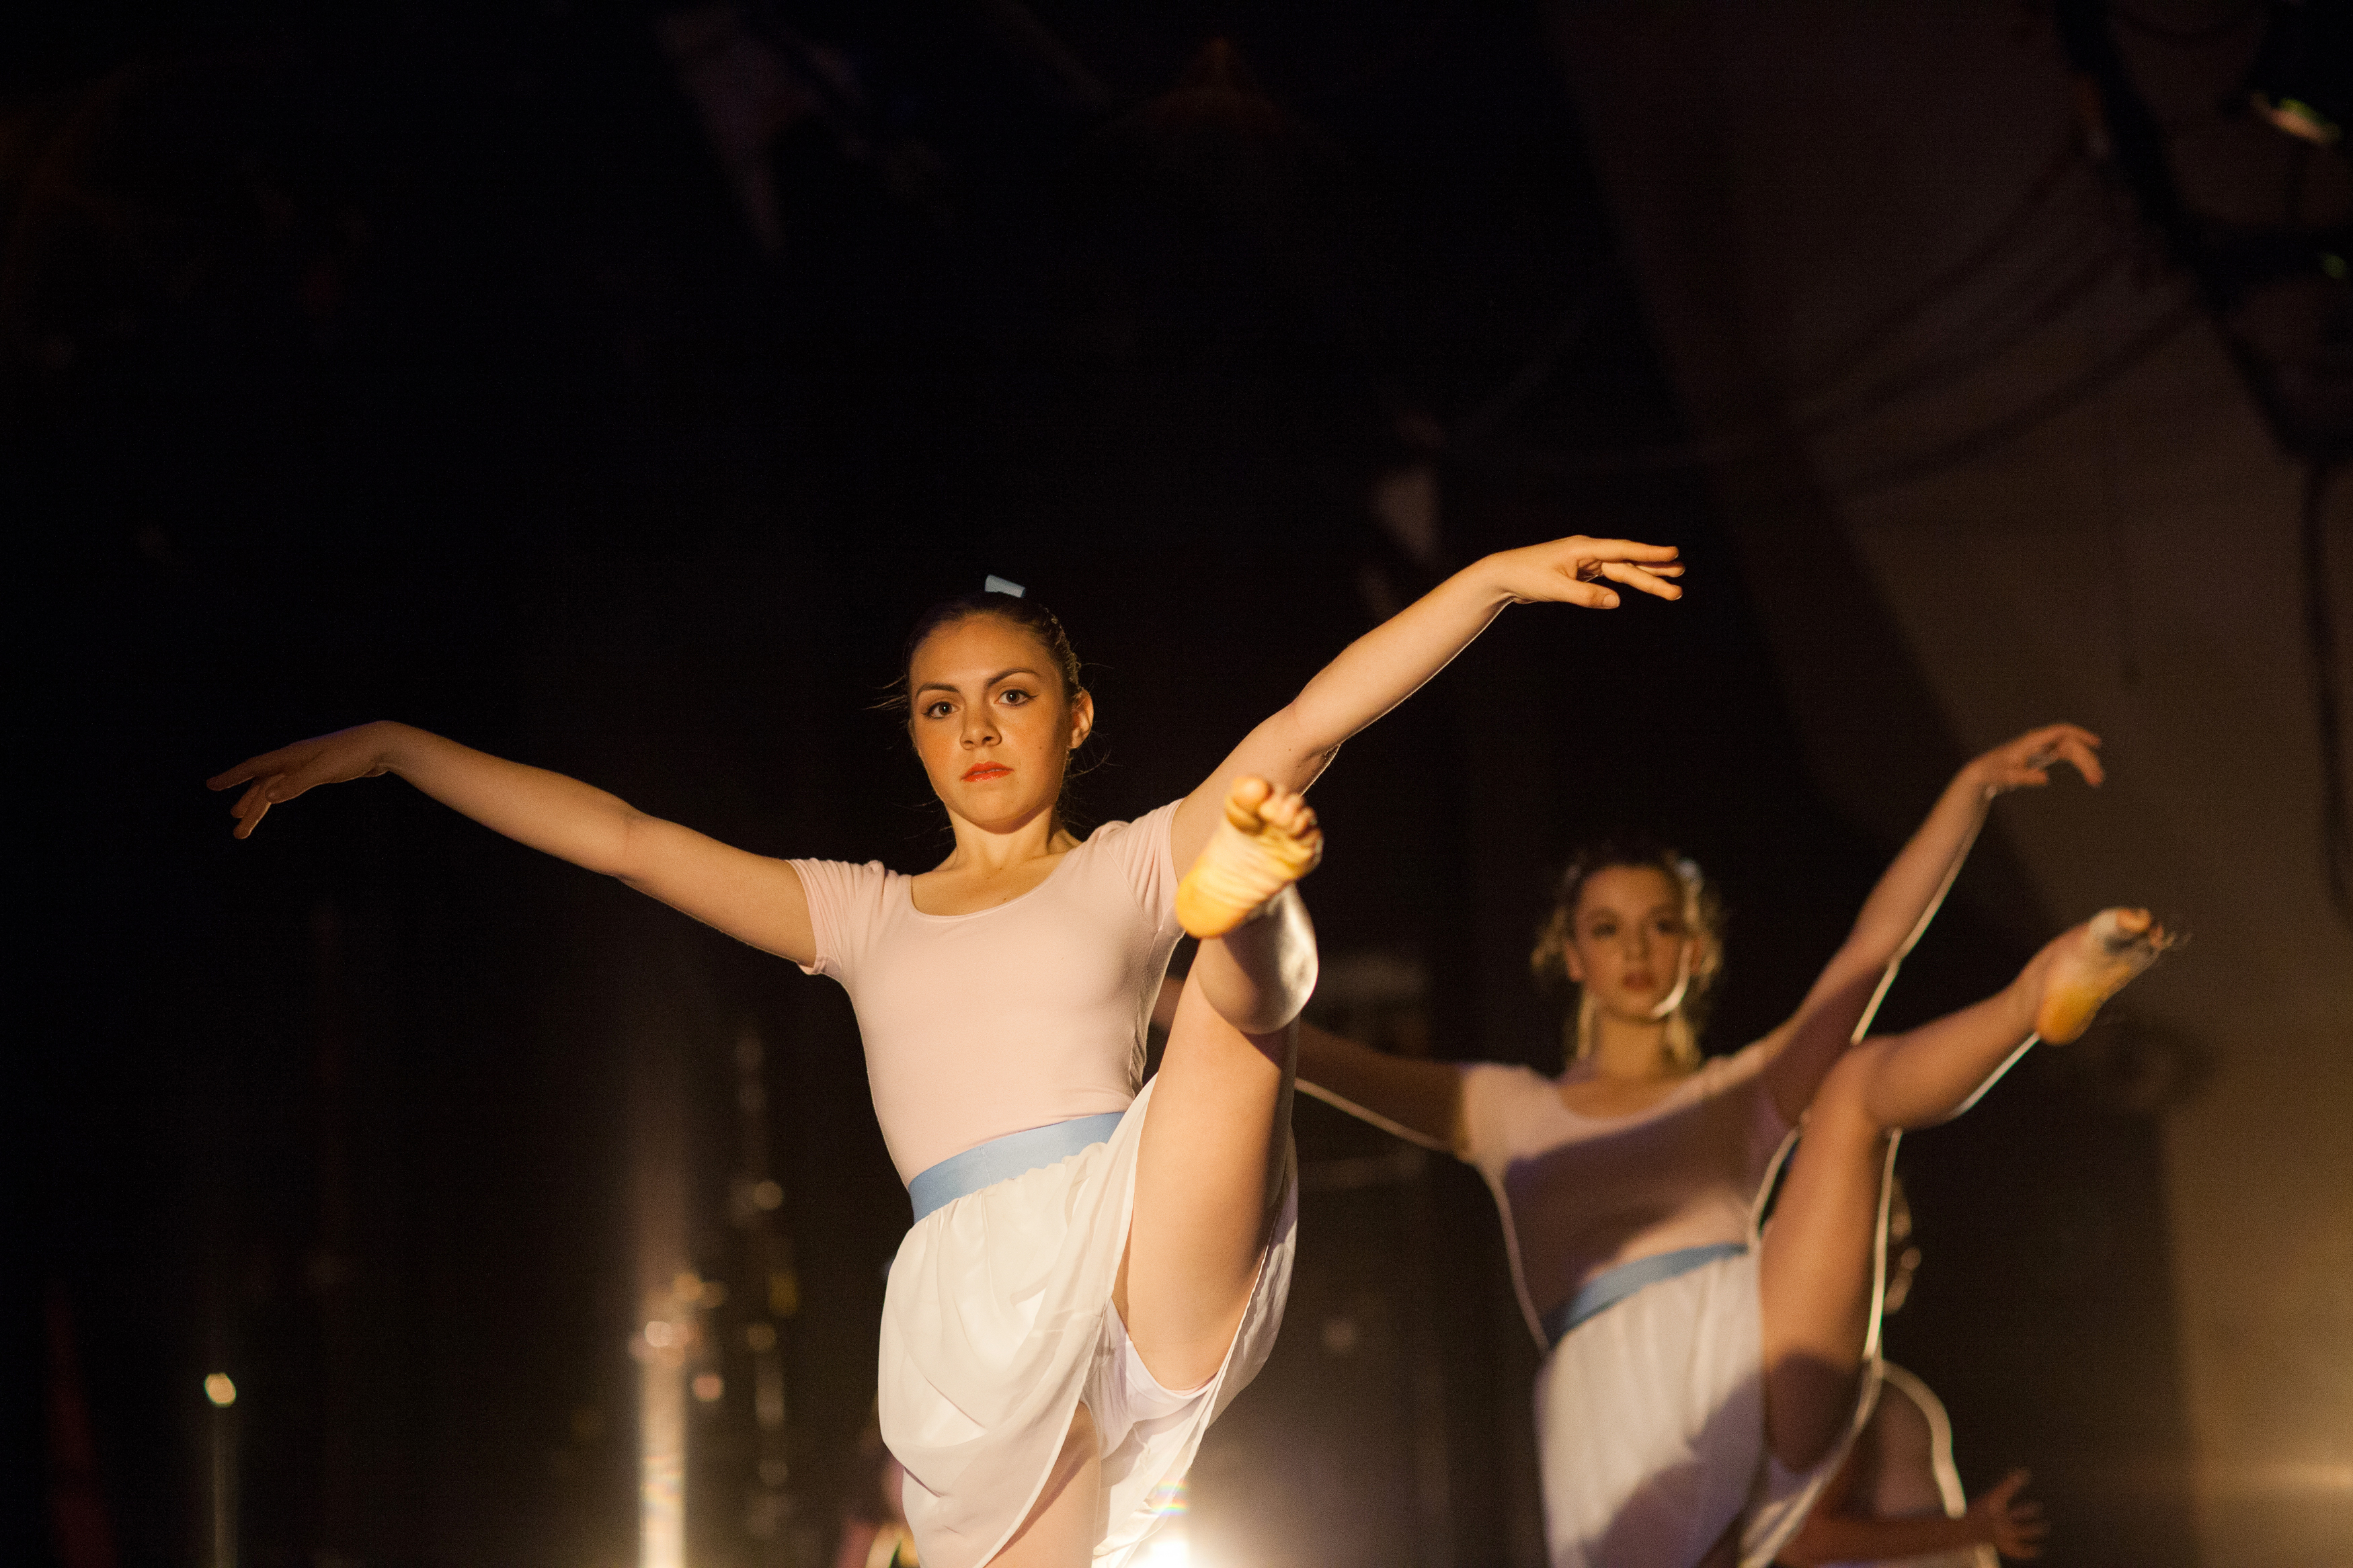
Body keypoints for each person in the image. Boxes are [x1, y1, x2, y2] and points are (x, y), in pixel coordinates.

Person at [207, 536, 1686, 1568]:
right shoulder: (860, 913)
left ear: (1076, 716)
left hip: (1135, 1215)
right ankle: (1246, 907)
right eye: (941, 706)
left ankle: (1249, 904)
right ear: (914, 738)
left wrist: (1489, 583)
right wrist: (397, 744)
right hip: (974, 1302)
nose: (976, 727)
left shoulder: (1122, 861)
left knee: (1237, 1006)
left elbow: (1311, 717)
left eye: (1012, 694)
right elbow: (628, 840)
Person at [1284, 725, 2169, 1568]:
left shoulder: (1741, 1092)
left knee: (1854, 1087)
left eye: (1660, 924)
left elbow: (1874, 948)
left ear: (1694, 949)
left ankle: (2031, 1002)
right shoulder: (1502, 1107)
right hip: (1616, 1400)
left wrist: (1970, 788)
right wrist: (1194, 970)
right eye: (1606, 928)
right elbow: (1309, 1054)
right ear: (1572, 955)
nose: (1636, 947)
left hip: (1752, 1342)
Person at [1776, 1183, 2045, 1568]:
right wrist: (1973, 1530)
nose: (1910, 1254)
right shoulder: (1839, 1377)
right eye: (1892, 1233)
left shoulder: (1871, 1376)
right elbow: (1806, 1541)